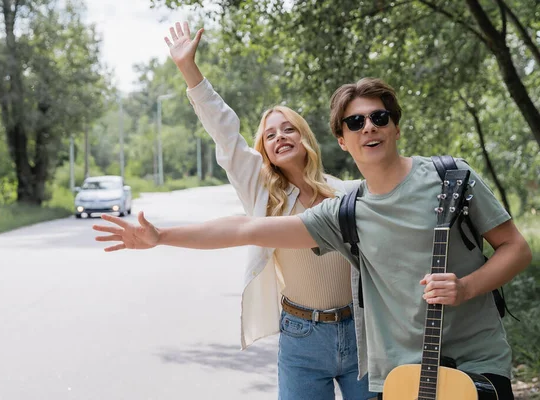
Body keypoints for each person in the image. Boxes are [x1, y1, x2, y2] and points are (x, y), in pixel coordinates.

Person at [93, 75, 532, 399]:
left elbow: (516, 247)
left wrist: (467, 286)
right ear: (342, 139)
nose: (368, 128)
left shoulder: (449, 177)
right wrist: (161, 235)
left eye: (378, 117)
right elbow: (245, 227)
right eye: (355, 122)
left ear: (395, 126)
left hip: (473, 362)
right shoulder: (345, 212)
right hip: (393, 372)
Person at [136, 22, 376, 400]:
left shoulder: (346, 193)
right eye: (270, 134)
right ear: (264, 150)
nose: (280, 136)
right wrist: (189, 70)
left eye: (288, 129)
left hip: (360, 333)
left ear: (304, 137)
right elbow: (224, 131)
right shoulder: (264, 195)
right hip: (302, 337)